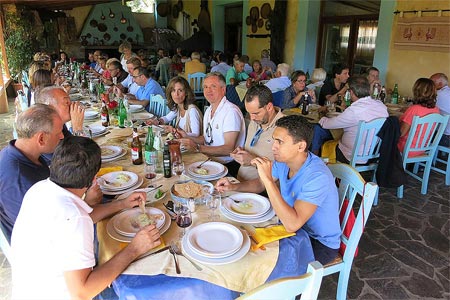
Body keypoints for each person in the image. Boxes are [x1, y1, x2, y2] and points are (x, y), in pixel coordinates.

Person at [10, 136, 161, 299]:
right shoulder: (74, 218)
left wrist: (122, 204)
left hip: (29, 289)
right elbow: (82, 293)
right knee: (138, 284)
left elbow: (84, 217)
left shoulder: (40, 189)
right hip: (62, 293)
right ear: (94, 179)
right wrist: (135, 248)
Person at [216, 115, 341, 264]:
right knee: (244, 239)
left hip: (318, 242)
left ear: (300, 146)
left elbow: (292, 223)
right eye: (274, 140)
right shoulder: (284, 161)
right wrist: (233, 187)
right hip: (292, 230)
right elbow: (260, 184)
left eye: (280, 142)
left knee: (255, 259)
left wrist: (268, 180)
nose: (273, 146)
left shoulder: (317, 176)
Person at [0, 104, 64, 241]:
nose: (62, 136)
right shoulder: (18, 180)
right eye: (58, 133)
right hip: (41, 245)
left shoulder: (25, 151)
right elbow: (45, 231)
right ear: (41, 139)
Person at [178, 72, 245, 177]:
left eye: (213, 86)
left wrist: (197, 148)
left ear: (223, 90)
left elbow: (229, 149)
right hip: (209, 160)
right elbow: (206, 139)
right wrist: (187, 136)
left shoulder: (230, 111)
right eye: (205, 87)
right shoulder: (209, 110)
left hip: (227, 166)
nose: (208, 90)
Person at [311, 75, 388, 162]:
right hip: (372, 154)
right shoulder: (381, 106)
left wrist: (323, 117)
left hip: (349, 155)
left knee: (320, 131)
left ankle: (320, 165)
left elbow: (327, 124)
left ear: (351, 92)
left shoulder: (354, 111)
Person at [231, 85, 285, 181]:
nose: (251, 118)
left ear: (269, 107)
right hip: (240, 181)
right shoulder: (256, 120)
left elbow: (284, 171)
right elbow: (255, 149)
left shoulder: (284, 128)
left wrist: (253, 161)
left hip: (261, 190)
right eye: (249, 113)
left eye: (255, 113)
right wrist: (241, 152)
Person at [398, 78, 441, 156]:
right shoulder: (436, 110)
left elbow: (401, 133)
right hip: (422, 148)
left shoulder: (414, 109)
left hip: (406, 148)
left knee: (384, 138)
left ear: (417, 91)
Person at [430, 73, 450, 147]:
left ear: (440, 84)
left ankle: (417, 154)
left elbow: (423, 108)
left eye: (431, 83)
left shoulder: (438, 94)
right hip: (447, 135)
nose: (429, 85)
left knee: (417, 132)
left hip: (444, 137)